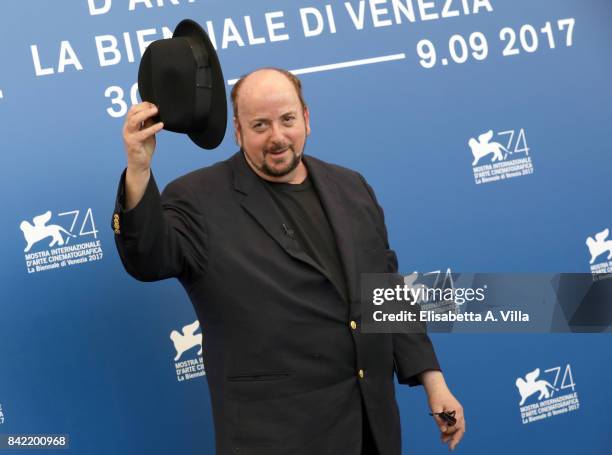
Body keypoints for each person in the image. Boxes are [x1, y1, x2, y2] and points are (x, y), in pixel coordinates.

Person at [113, 67, 465, 454]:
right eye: (260, 125)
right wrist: (139, 171)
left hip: (370, 430)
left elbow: (384, 290)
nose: (277, 137)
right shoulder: (198, 200)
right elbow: (147, 258)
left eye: (287, 120)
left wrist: (434, 381)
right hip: (276, 438)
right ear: (238, 130)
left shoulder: (352, 187)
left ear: (307, 119)